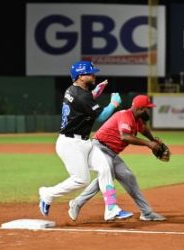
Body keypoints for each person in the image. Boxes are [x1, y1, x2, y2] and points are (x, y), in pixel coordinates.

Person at [39, 61, 133, 221]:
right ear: (81, 76)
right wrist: (113, 104)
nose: (94, 75)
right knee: (81, 180)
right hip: (70, 144)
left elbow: (84, 103)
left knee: (105, 168)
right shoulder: (81, 95)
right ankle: (47, 194)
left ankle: (111, 208)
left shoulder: (74, 90)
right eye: (90, 73)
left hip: (84, 142)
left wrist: (95, 92)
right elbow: (101, 116)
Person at [68, 95, 167, 221]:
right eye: (146, 108)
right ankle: (107, 209)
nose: (148, 111)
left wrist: (153, 140)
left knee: (128, 178)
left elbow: (143, 129)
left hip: (111, 153)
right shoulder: (125, 116)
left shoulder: (137, 120)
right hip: (99, 148)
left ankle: (146, 213)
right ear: (140, 109)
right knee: (107, 173)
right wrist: (148, 144)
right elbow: (124, 136)